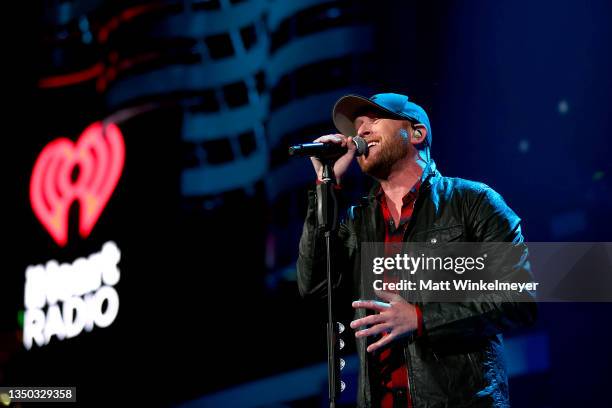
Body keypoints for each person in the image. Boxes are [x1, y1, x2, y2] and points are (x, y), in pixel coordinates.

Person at [296, 93, 537, 407]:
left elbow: (518, 299)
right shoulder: (356, 224)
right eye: (357, 126)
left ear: (416, 133)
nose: (361, 131)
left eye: (374, 119)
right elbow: (313, 284)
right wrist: (324, 183)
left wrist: (422, 319)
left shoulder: (473, 203)